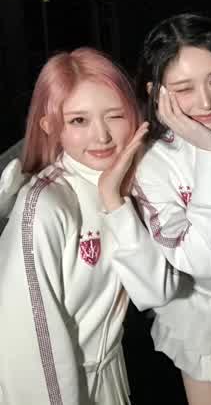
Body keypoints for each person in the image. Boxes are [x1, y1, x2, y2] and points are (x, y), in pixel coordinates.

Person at [99, 13, 211, 405]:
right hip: (201, 325)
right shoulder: (154, 163)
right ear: (156, 93)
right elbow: (203, 261)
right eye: (184, 88)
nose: (206, 101)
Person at [0, 47, 148, 404]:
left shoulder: (134, 185)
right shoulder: (44, 205)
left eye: (115, 115)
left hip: (112, 377)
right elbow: (30, 341)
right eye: (79, 120)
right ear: (51, 126)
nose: (102, 136)